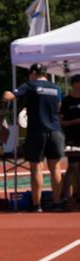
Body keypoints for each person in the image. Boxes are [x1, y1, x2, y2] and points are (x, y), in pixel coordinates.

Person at [3, 63, 65, 212]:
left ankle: (37, 205)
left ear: (32, 73)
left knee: (37, 169)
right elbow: (59, 107)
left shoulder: (30, 85)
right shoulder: (56, 88)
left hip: (37, 131)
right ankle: (57, 203)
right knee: (55, 168)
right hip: (56, 131)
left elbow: (10, 96)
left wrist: (6, 93)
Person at [60, 74, 80, 202]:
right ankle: (64, 195)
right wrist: (75, 122)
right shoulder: (66, 101)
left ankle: (78, 194)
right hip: (72, 137)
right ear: (73, 84)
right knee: (73, 166)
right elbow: (61, 122)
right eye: (77, 82)